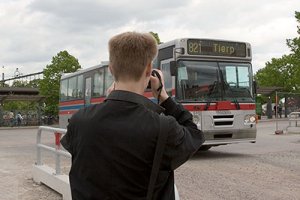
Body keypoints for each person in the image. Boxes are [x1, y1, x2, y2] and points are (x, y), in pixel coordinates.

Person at [61, 32, 205, 200]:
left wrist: (110, 100)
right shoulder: (163, 128)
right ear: (148, 70)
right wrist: (163, 97)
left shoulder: (79, 121)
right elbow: (195, 134)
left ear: (111, 69)